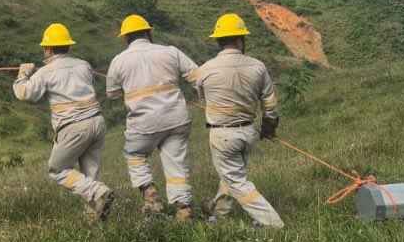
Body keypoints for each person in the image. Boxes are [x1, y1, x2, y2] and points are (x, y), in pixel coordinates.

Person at [13, 23, 115, 218]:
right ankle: (95, 217)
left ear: (47, 49)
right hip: (97, 123)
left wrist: (23, 74)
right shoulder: (84, 65)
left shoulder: (46, 71)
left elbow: (23, 93)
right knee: (89, 173)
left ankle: (99, 193)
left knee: (57, 169)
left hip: (74, 127)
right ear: (68, 46)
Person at [192, 14, 284, 228]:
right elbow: (270, 106)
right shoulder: (258, 67)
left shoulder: (204, 70)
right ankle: (218, 210)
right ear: (241, 40)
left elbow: (204, 100)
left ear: (218, 40)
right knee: (233, 173)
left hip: (223, 135)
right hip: (249, 133)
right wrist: (269, 129)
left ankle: (274, 224)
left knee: (238, 181)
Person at [104, 14, 199, 220]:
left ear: (126, 38)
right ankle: (183, 209)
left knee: (135, 155)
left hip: (144, 123)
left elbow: (112, 94)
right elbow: (196, 76)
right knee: (176, 162)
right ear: (148, 32)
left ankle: (151, 197)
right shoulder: (170, 51)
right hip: (177, 118)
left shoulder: (118, 61)